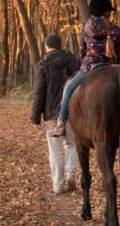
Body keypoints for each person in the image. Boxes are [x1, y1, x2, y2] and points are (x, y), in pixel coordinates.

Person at [51, 0, 120, 136]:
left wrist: (84, 61)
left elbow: (81, 50)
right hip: (111, 67)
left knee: (69, 88)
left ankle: (61, 121)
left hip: (89, 67)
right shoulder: (115, 29)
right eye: (109, 10)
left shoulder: (87, 27)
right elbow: (118, 53)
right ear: (106, 11)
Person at [32, 34, 82, 193]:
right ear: (61, 45)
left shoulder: (43, 65)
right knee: (72, 144)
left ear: (46, 46)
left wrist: (35, 116)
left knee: (55, 150)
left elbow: (39, 92)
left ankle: (58, 185)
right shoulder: (72, 61)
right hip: (72, 112)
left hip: (51, 113)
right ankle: (70, 174)